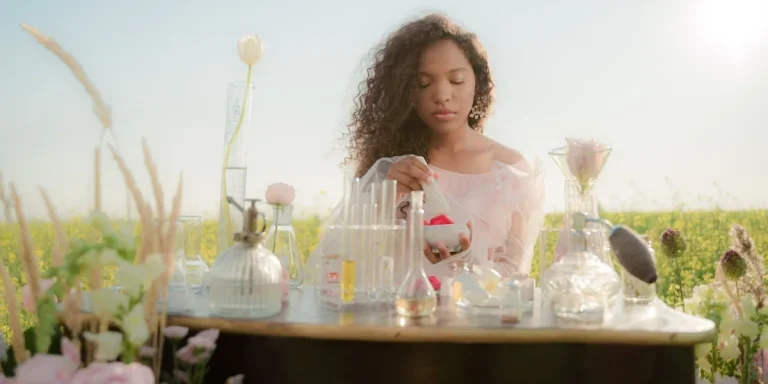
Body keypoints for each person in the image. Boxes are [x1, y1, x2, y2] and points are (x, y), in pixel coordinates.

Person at [306, 13, 545, 283]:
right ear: (405, 92)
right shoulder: (396, 167)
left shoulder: (511, 171)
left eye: (456, 80)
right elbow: (337, 264)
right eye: (423, 83)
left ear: (477, 82)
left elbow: (515, 275)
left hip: (475, 311)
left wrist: (465, 261)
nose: (442, 96)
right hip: (400, 309)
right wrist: (386, 197)